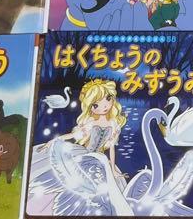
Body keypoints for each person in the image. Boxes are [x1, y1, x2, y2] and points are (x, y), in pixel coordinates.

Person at [27, 79, 132, 214]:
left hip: (102, 161)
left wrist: (113, 169)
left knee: (107, 193)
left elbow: (111, 147)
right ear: (91, 107)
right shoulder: (90, 123)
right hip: (86, 156)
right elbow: (73, 135)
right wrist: (53, 140)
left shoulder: (113, 124)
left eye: (108, 99)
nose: (104, 106)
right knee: (70, 183)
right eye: (96, 104)